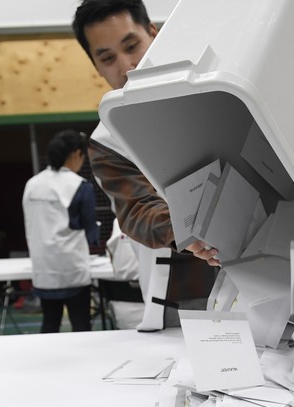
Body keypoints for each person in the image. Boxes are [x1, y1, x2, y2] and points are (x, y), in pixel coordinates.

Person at [72, 0, 219, 330]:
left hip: (263, 274)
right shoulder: (106, 139)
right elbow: (136, 209)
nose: (126, 66)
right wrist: (185, 230)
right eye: (108, 58)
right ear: (96, 66)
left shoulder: (212, 93)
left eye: (132, 45)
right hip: (180, 296)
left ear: (153, 34)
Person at [23, 130, 99, 333]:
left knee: (49, 325)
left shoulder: (32, 184)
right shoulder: (79, 186)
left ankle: (47, 364)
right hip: (71, 269)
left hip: (42, 269)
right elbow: (91, 230)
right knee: (81, 325)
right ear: (76, 154)